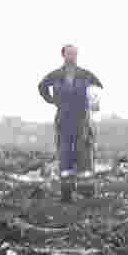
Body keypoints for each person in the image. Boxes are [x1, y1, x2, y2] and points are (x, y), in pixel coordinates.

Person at [37, 45, 103, 201]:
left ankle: (87, 191)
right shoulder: (55, 75)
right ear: (63, 55)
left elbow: (98, 88)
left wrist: (94, 101)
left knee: (84, 154)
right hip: (64, 119)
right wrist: (52, 100)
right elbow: (41, 87)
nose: (72, 56)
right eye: (69, 54)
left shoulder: (86, 75)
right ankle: (66, 192)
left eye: (75, 54)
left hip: (82, 120)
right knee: (65, 154)